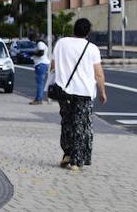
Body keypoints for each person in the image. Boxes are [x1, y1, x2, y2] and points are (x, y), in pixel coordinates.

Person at [51, 19, 106, 170]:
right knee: (81, 126)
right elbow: (99, 74)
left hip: (64, 92)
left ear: (73, 29)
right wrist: (102, 92)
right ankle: (76, 161)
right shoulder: (92, 48)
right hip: (84, 93)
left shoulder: (61, 43)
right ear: (88, 32)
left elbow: (53, 65)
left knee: (67, 122)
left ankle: (67, 153)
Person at [30, 32, 50, 105]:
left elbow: (41, 52)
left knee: (40, 83)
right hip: (43, 64)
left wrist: (33, 53)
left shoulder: (40, 43)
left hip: (40, 64)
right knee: (40, 82)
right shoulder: (42, 43)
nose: (32, 41)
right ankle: (38, 98)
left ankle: (38, 99)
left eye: (31, 39)